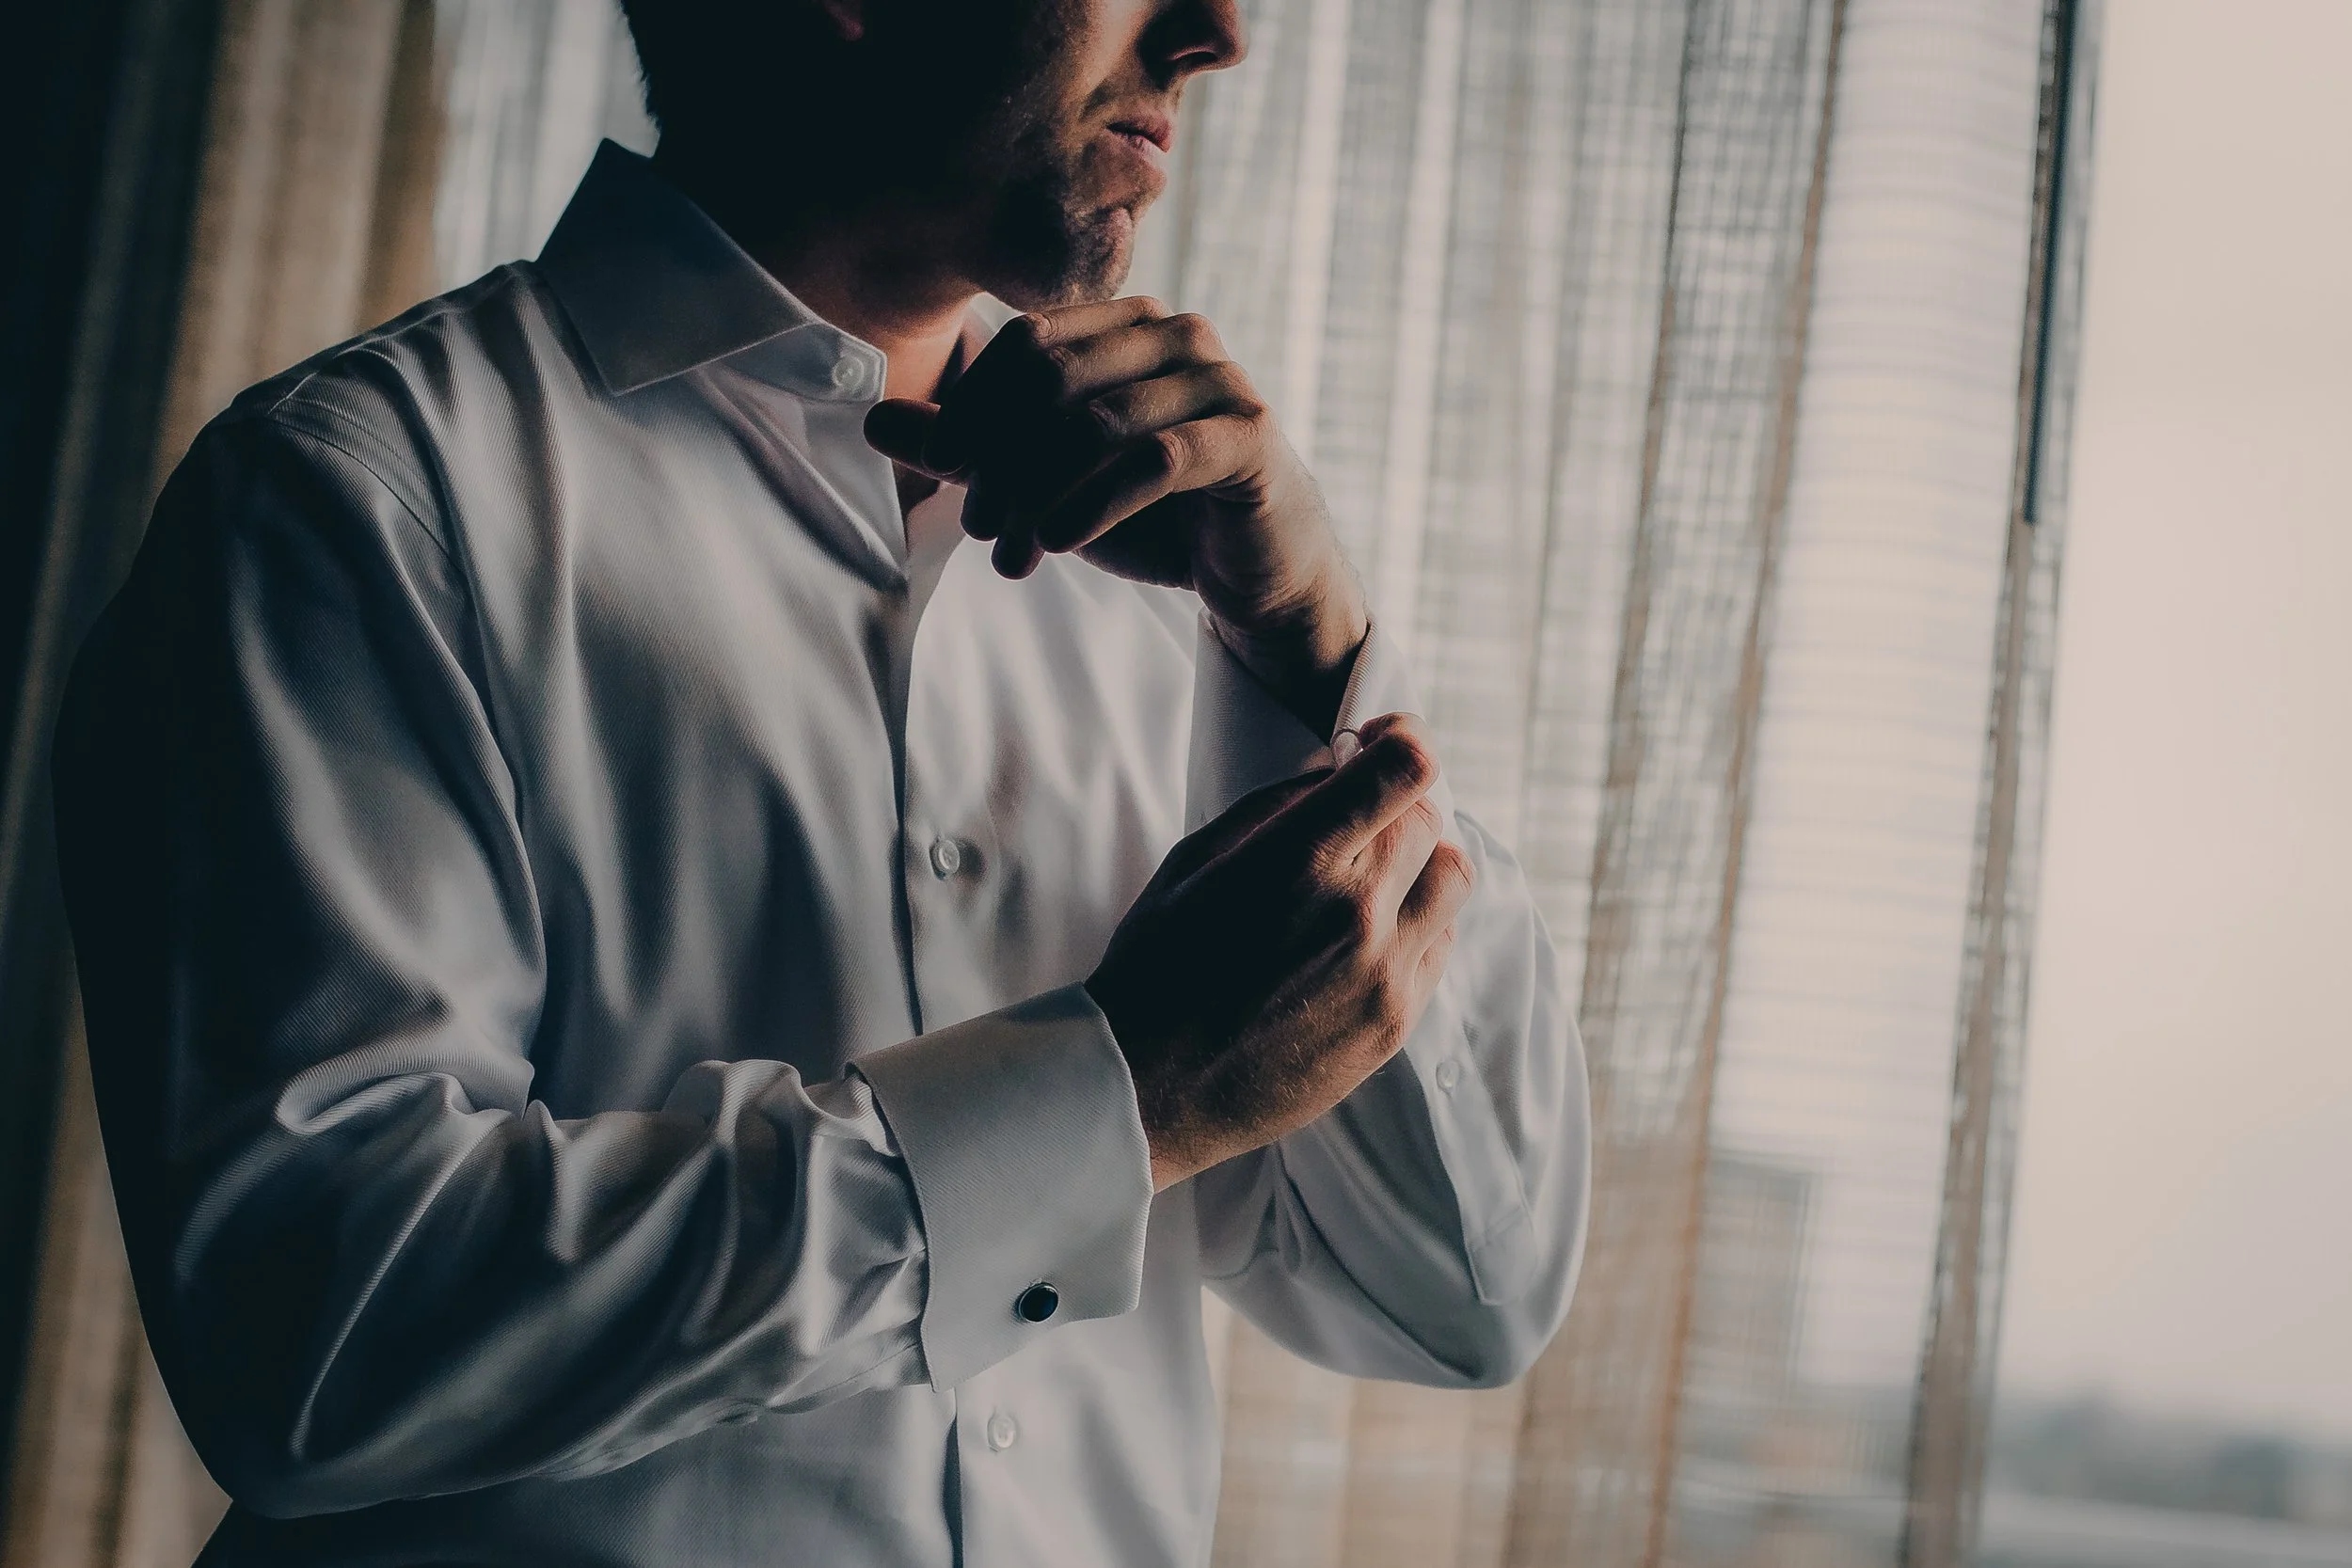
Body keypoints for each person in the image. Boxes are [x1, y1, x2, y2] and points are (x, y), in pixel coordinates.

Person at [51, 0, 1591, 1562]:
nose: (1219, 31)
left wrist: (1316, 645)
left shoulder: (1196, 583)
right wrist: (1110, 1097)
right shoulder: (358, 507)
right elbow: (320, 1339)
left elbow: (1465, 1294)